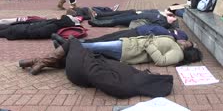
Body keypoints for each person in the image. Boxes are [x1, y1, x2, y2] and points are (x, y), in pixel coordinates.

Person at [18, 38, 174, 99]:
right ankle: (36, 62)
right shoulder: (134, 78)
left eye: (153, 75)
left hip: (80, 71)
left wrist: (89, 58)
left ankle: (41, 61)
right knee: (68, 55)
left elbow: (96, 74)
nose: (151, 72)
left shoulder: (125, 87)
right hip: (80, 68)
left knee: (72, 42)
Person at [51, 24, 189, 49]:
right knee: (104, 38)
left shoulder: (170, 37)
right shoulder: (170, 32)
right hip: (135, 31)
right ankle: (71, 42)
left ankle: (68, 44)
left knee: (102, 42)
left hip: (134, 38)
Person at [0, 15, 79, 40]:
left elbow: (38, 33)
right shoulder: (54, 23)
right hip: (20, 27)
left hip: (19, 30)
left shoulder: (53, 26)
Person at [88, 9, 178, 29]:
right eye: (171, 16)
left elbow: (152, 26)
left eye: (172, 19)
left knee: (116, 21)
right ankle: (98, 18)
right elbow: (149, 11)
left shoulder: (163, 24)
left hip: (135, 20)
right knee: (116, 16)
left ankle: (96, 23)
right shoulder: (160, 15)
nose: (171, 17)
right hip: (136, 14)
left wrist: (169, 24)